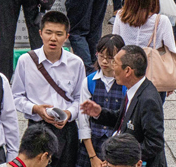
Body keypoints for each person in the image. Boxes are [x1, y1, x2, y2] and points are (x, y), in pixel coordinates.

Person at [12, 11, 85, 167]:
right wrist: (36, 109)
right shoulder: (26, 61)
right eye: (49, 32)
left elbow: (81, 98)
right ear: (40, 33)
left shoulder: (76, 63)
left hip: (67, 130)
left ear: (66, 36)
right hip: (37, 129)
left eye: (59, 34)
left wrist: (69, 113)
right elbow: (16, 97)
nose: (53, 38)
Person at [78, 45, 165, 167]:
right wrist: (99, 113)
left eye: (115, 63)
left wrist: (120, 159)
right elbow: (123, 118)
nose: (112, 67)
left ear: (128, 71)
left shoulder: (148, 100)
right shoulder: (133, 90)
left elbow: (154, 143)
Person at [112, 0, 176, 75]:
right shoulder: (161, 20)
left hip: (126, 70)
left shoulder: (121, 16)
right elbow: (171, 49)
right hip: (152, 71)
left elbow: (116, 43)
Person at [76, 35, 125, 167]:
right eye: (101, 55)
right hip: (92, 144)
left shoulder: (126, 83)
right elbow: (83, 121)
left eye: (110, 58)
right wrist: (93, 157)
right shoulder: (89, 81)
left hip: (118, 147)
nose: (104, 61)